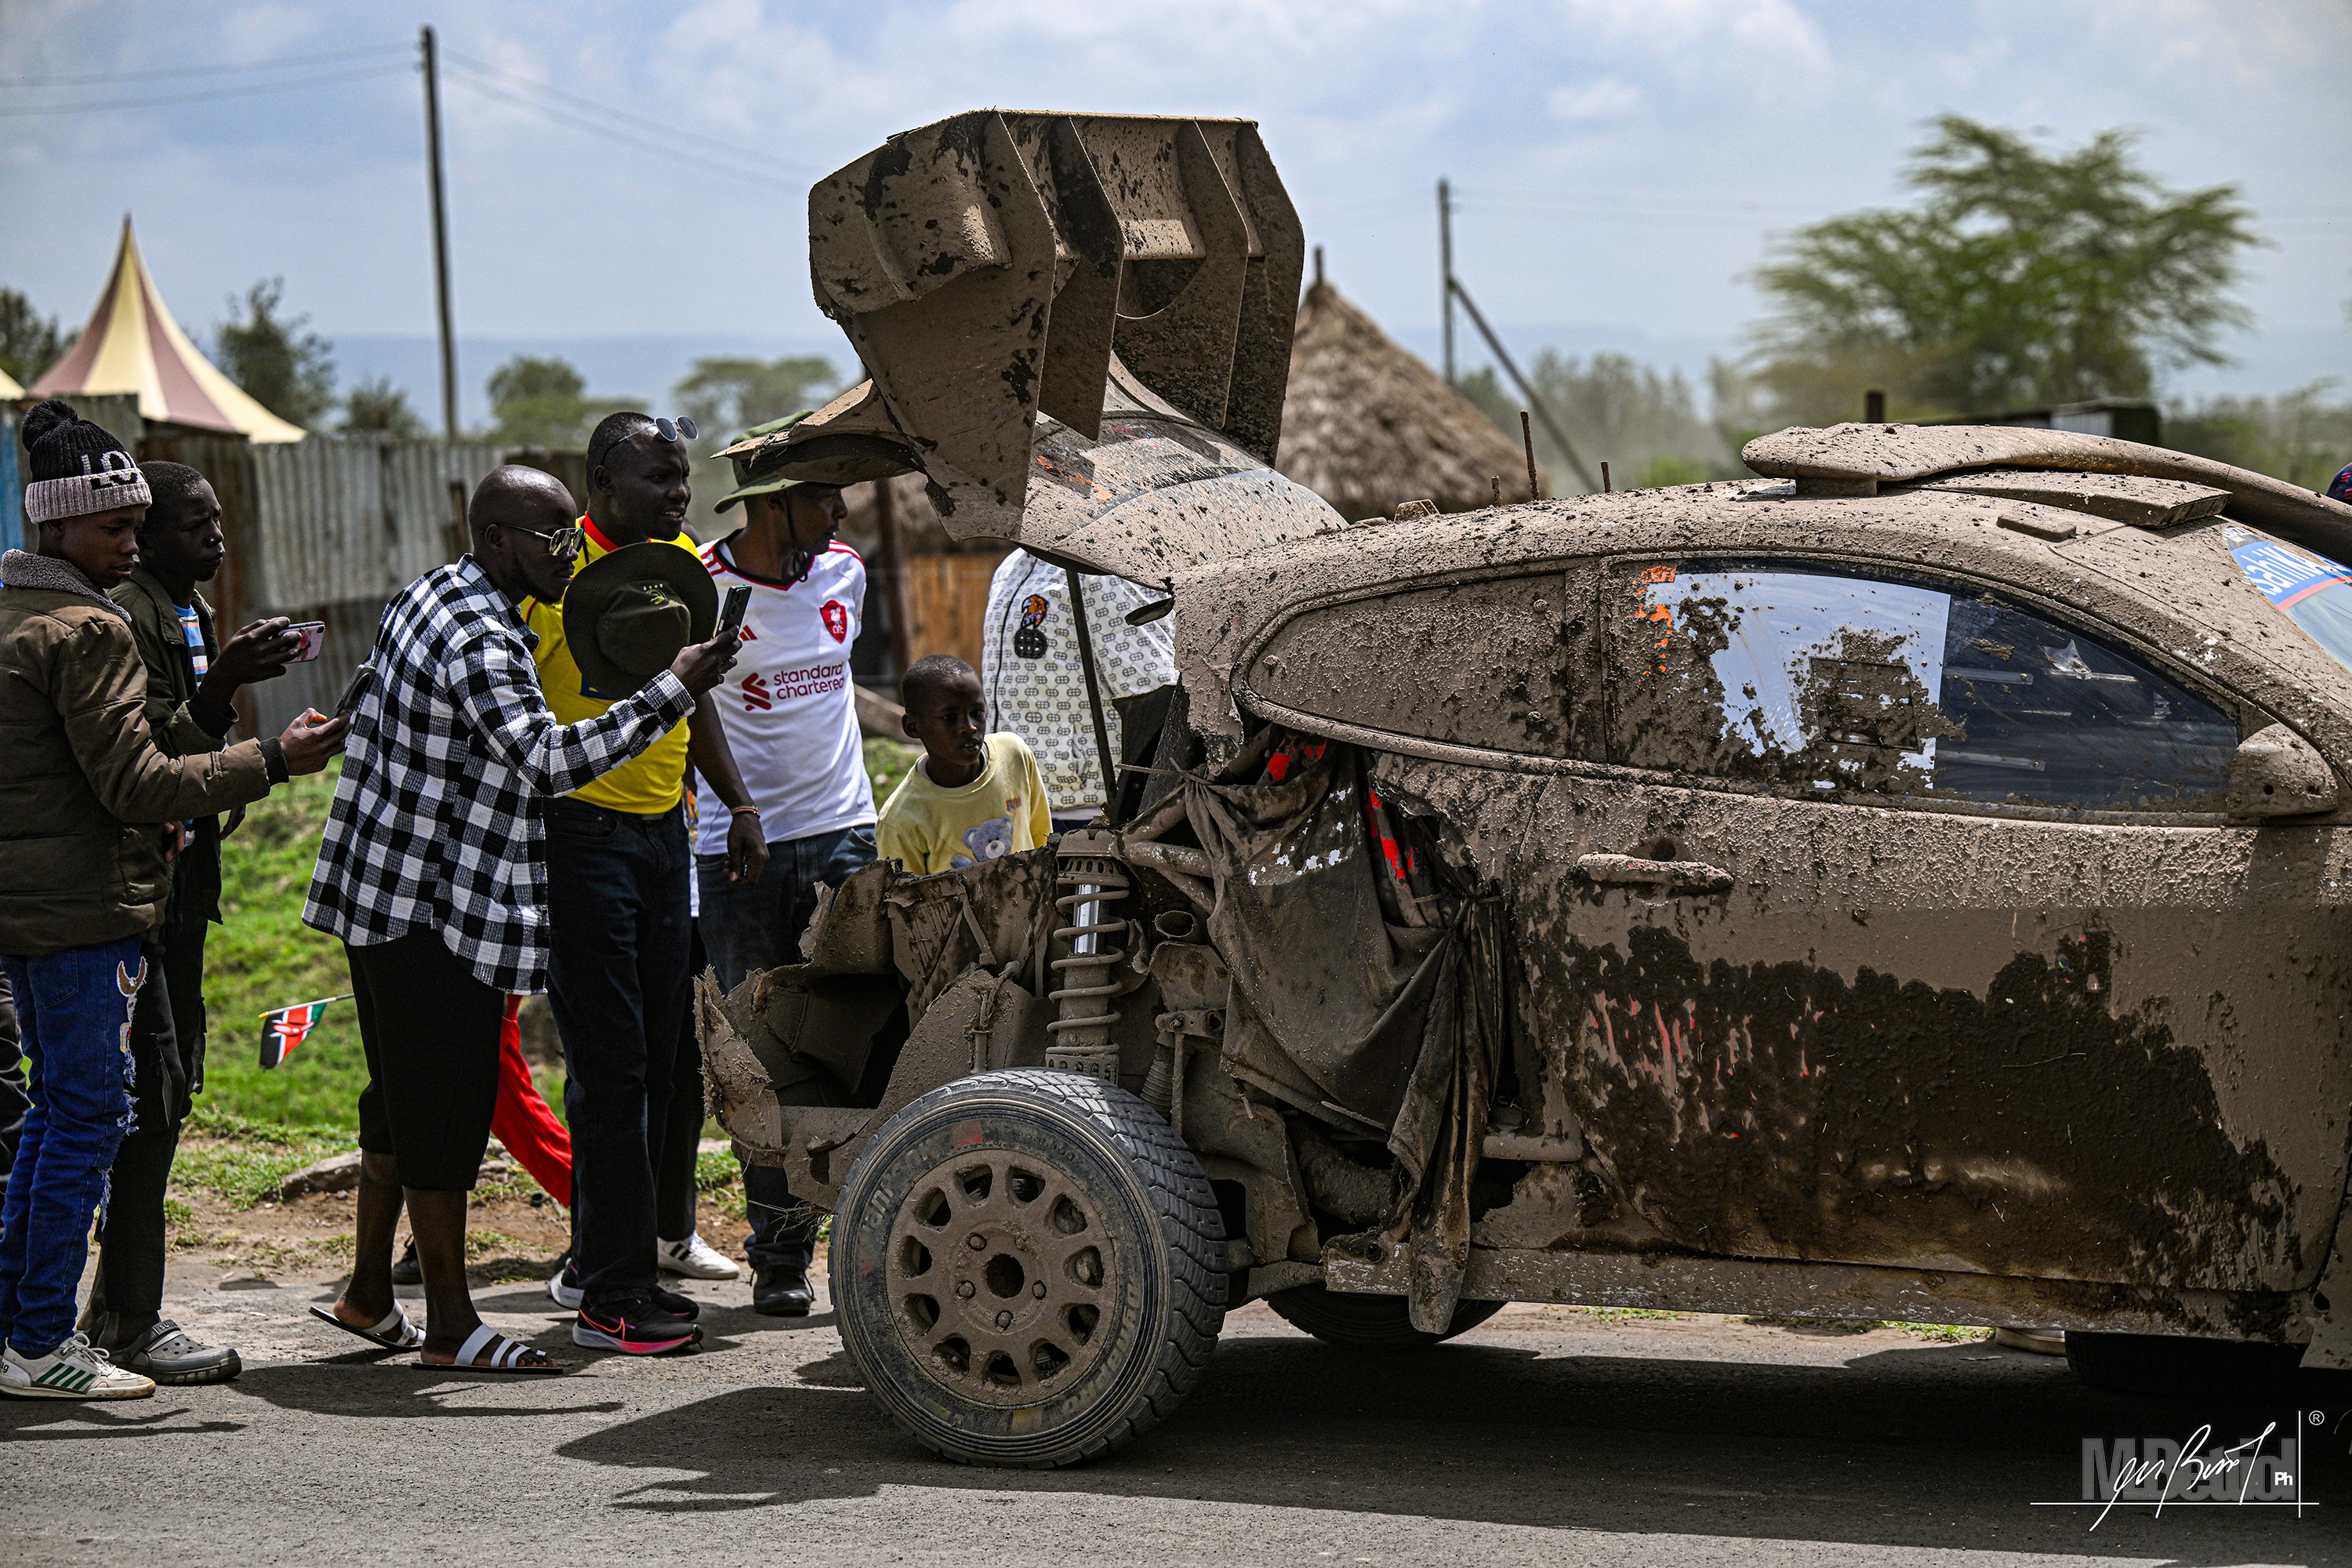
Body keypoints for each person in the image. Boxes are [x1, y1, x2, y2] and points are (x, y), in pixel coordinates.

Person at [303, 464, 737, 1370]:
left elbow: (367, 692)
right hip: (431, 902)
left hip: (376, 884)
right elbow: (545, 761)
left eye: (573, 536)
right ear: (497, 538)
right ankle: (451, 1326)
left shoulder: (432, 591)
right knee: (443, 1111)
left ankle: (369, 1294)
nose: (570, 552)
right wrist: (671, 688)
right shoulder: (484, 640)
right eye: (554, 539)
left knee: (396, 1099)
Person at [0, 401, 345, 1401]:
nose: (130, 543)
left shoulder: (15, 614)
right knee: (87, 1118)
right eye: (116, 526)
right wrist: (273, 758)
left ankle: (20, 1325)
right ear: (60, 521)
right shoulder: (89, 629)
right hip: (86, 913)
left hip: (28, 911)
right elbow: (138, 784)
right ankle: (41, 1338)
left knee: (51, 1116)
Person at [520, 416, 766, 1352]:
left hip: (667, 835)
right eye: (659, 478)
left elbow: (692, 694)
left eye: (682, 476)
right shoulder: (550, 576)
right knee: (612, 1067)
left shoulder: (677, 564)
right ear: (600, 482)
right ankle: (611, 1295)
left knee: (660, 1062)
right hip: (577, 838)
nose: (679, 494)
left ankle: (606, 1259)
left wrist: (737, 803)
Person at [79, 461, 303, 1385]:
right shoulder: (129, 615)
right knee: (149, 1097)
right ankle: (126, 1316)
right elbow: (150, 761)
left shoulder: (189, 610)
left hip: (184, 885)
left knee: (169, 1089)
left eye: (217, 522)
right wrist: (232, 699)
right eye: (193, 524)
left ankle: (116, 1308)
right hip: (143, 891)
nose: (213, 538)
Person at [692, 413, 875, 1313]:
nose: (840, 512)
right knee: (758, 1052)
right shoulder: (702, 586)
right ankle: (778, 1254)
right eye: (824, 496)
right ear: (774, 503)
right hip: (741, 856)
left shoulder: (847, 573)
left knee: (858, 1036)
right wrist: (738, 810)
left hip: (845, 835)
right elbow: (690, 706)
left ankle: (866, 1239)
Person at [981, 550, 1175, 832]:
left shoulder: (1104, 570)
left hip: (1088, 811)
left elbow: (1156, 695)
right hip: (1013, 800)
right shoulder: (1012, 565)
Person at [878, 655, 1052, 875]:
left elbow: (1044, 843)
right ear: (913, 727)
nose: (969, 727)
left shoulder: (1015, 755)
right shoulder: (900, 820)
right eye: (949, 717)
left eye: (977, 713)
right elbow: (905, 894)